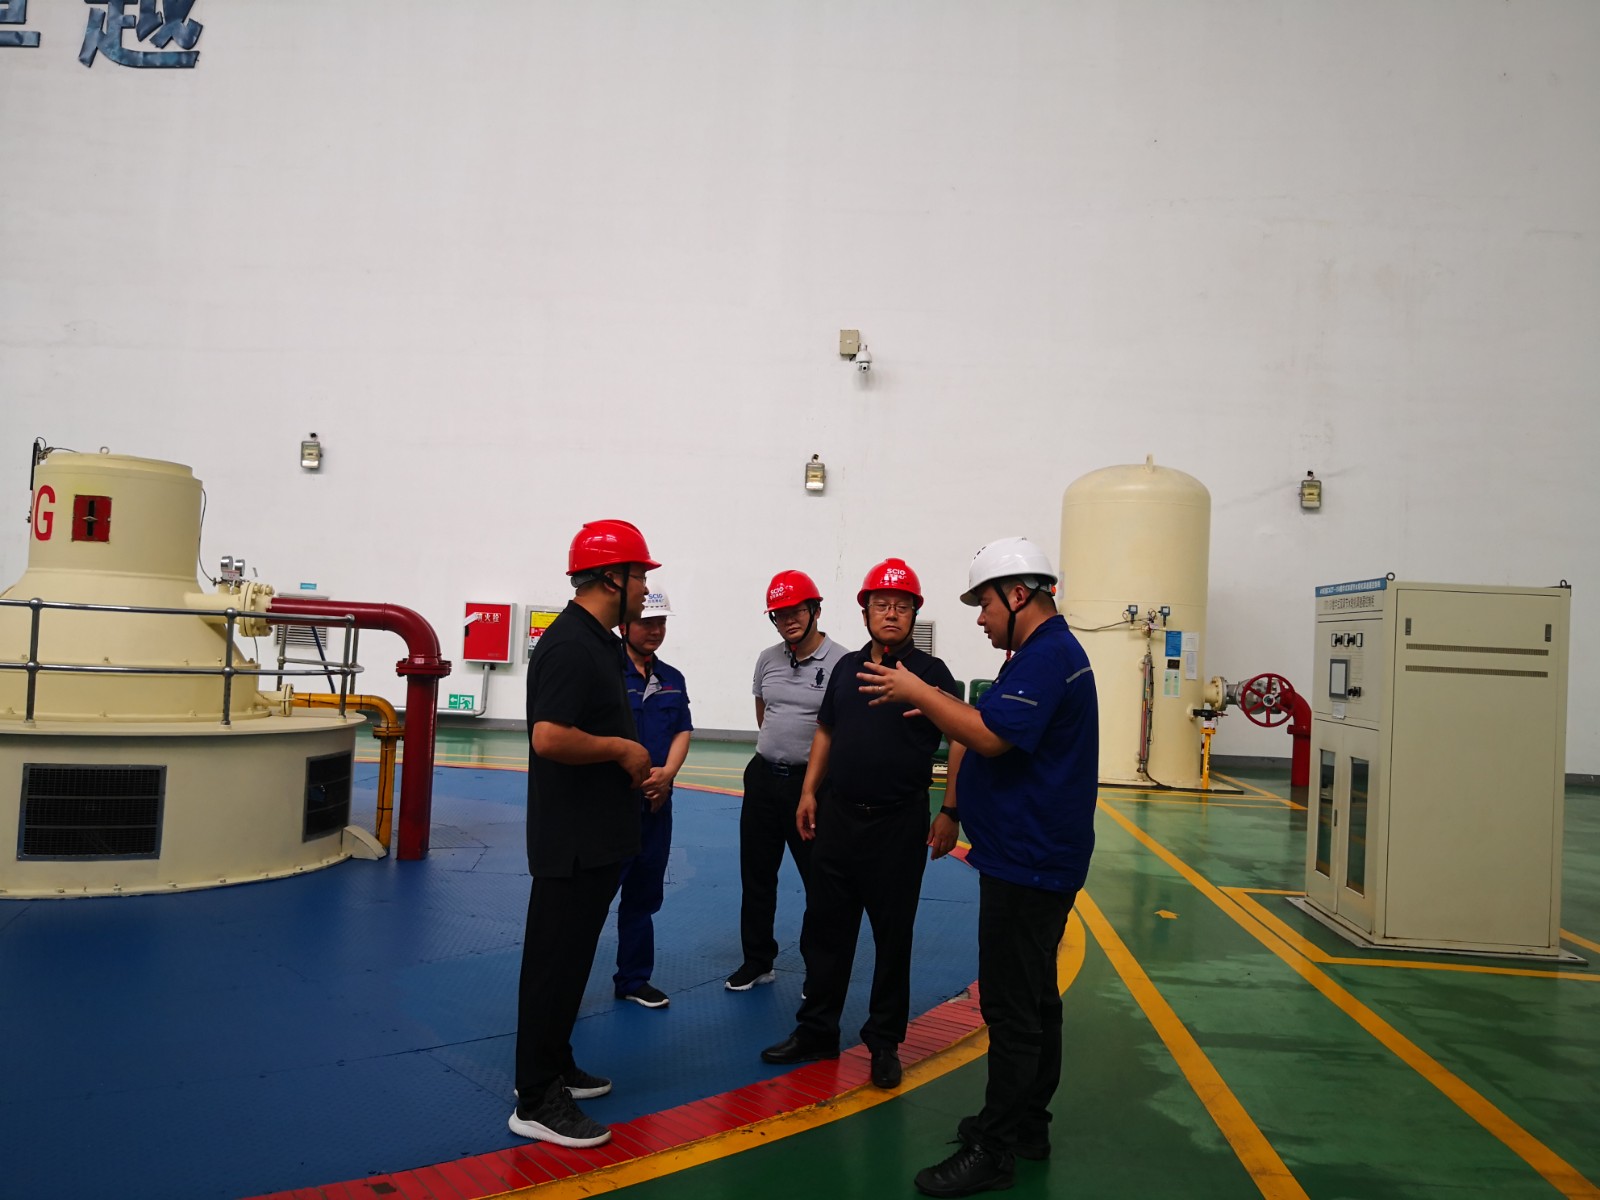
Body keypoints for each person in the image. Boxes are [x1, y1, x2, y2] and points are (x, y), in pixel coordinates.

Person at [860, 537, 1098, 1197]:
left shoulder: (1046, 658)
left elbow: (989, 736)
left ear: (1018, 595)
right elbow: (987, 723)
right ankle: (1026, 1125)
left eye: (985, 605)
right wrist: (941, 706)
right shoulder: (1041, 656)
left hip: (1029, 862)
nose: (981, 618)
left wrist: (916, 688)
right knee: (1036, 1000)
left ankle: (993, 1149)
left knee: (1013, 1007)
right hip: (1033, 855)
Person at [760, 558, 960, 1091]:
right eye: (881, 605)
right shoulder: (847, 669)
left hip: (898, 826)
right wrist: (809, 792)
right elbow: (825, 730)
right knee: (826, 930)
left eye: (901, 606)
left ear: (914, 613)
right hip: (839, 819)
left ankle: (884, 1042)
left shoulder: (932, 675)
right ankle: (817, 1030)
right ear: (865, 612)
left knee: (893, 937)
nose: (891, 614)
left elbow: (961, 739)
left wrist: (950, 811)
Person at [510, 519, 658, 1149]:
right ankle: (536, 1098)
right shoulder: (571, 644)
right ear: (610, 578)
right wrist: (623, 749)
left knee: (570, 965)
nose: (645, 588)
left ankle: (557, 1064)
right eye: (639, 576)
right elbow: (549, 736)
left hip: (595, 838)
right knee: (553, 965)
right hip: (570, 843)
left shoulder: (598, 641)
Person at [726, 570, 843, 992]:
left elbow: (840, 730)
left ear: (815, 610)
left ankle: (819, 971)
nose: (788, 620)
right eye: (779, 614)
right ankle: (757, 961)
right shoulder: (767, 659)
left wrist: (808, 778)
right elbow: (765, 714)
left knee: (819, 881)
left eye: (796, 611)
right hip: (763, 780)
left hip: (811, 788)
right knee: (757, 875)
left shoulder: (842, 663)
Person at [613, 590, 693, 1009]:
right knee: (590, 899)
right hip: (612, 808)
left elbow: (682, 729)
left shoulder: (672, 678)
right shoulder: (607, 674)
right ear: (624, 625)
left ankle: (633, 979)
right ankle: (563, 986)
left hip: (656, 807)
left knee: (643, 895)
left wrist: (668, 775)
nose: (655, 630)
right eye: (647, 622)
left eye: (661, 622)